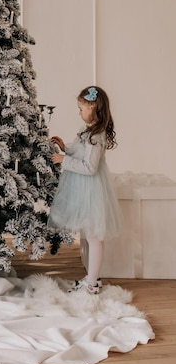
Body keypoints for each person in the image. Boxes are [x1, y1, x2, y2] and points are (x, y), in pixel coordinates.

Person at [48, 86, 123, 295]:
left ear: (93, 107)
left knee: (94, 236)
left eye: (81, 108)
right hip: (84, 190)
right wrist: (66, 148)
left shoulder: (97, 136)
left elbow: (89, 167)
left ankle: (92, 283)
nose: (79, 112)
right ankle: (93, 278)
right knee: (90, 236)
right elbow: (80, 150)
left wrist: (65, 160)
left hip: (92, 189)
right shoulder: (87, 130)